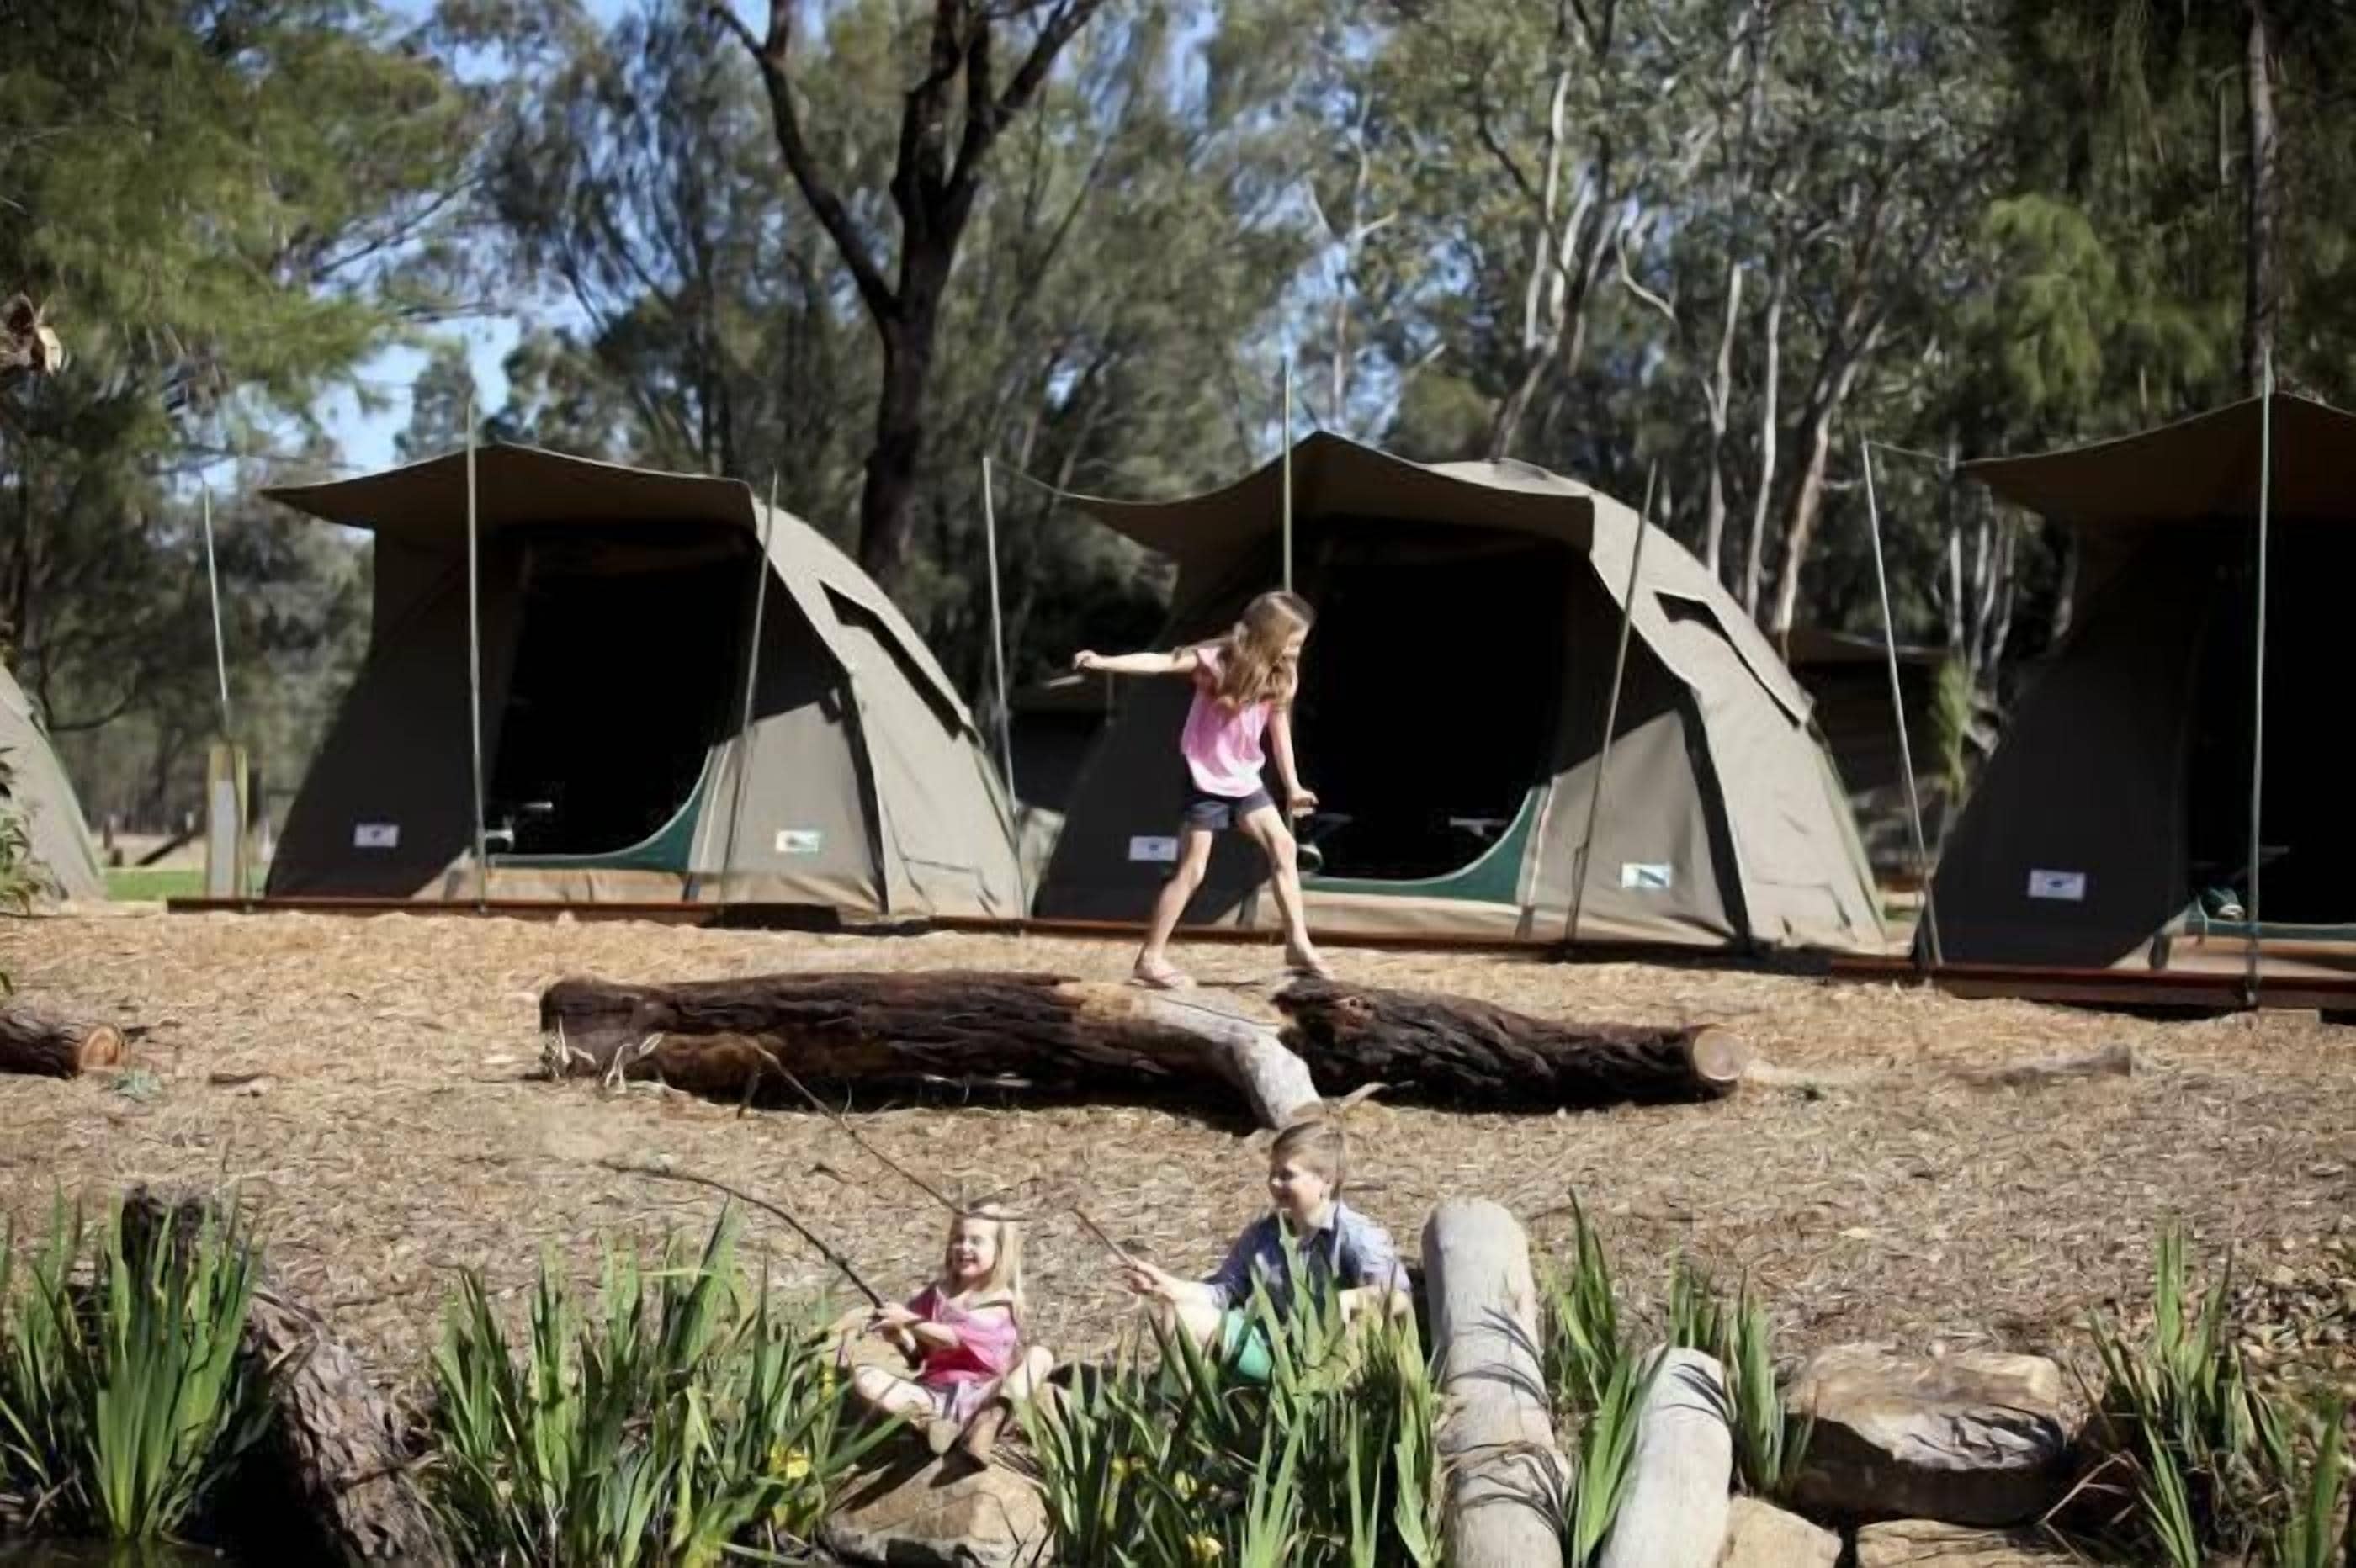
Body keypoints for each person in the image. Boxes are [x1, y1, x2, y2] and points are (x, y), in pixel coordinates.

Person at [1073, 590, 1331, 989]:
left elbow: (1279, 732)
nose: (1297, 651)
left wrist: (1293, 786)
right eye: (1293, 642)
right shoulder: (1217, 658)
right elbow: (1160, 662)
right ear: (1269, 633)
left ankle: (1297, 944)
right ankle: (1150, 958)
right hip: (1206, 780)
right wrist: (1105, 662)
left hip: (1245, 780)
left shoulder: (1283, 674)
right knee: (1192, 870)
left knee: (1283, 846)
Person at [1116, 1116, 1409, 1380]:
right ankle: (1175, 1413)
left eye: (1287, 1175)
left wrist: (1349, 1300)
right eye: (1272, 1173)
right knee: (1181, 1314)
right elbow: (1224, 1293)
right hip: (1275, 1349)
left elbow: (1398, 1297)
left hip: (1334, 1362)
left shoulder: (1357, 1236)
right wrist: (1166, 1287)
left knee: (1364, 1321)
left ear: (1327, 1181)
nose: (1274, 1183)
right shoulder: (1264, 1236)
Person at [838, 1205, 1051, 1463]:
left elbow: (954, 1338)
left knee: (1040, 1356)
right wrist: (901, 1337)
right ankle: (933, 1426)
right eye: (958, 1239)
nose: (964, 1247)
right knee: (866, 1376)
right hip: (935, 1397)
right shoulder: (938, 1293)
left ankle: (989, 1422)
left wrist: (909, 1320)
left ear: (1000, 1251)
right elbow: (919, 1357)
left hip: (983, 1396)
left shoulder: (1000, 1301)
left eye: (976, 1241)